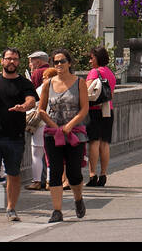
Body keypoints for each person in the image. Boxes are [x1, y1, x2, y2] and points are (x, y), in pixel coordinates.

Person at [0, 47, 38, 222]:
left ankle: (11, 208)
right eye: (9, 58)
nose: (12, 62)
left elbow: (31, 100)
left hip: (15, 136)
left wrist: (24, 106)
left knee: (13, 174)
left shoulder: (24, 83)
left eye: (15, 59)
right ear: (2, 61)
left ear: (19, 62)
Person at [37, 48, 89, 222]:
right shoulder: (48, 84)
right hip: (53, 134)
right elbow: (41, 109)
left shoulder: (79, 83)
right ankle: (57, 210)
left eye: (62, 61)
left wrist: (69, 125)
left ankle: (78, 198)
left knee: (74, 173)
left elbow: (84, 109)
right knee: (55, 171)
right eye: (56, 62)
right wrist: (54, 126)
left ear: (69, 63)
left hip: (74, 133)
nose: (59, 65)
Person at [86, 46, 115, 187]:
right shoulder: (110, 73)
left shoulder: (94, 72)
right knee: (105, 143)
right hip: (108, 110)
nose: (90, 61)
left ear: (97, 58)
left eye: (92, 58)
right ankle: (103, 174)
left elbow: (86, 91)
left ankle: (92, 174)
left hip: (95, 109)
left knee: (94, 142)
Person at [25, 51, 50, 190]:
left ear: (38, 62)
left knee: (37, 152)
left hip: (40, 120)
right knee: (50, 154)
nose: (30, 65)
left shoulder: (37, 74)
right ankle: (50, 181)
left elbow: (32, 97)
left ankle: (37, 181)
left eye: (31, 61)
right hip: (53, 121)